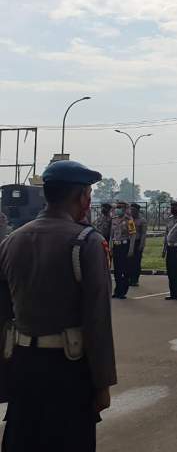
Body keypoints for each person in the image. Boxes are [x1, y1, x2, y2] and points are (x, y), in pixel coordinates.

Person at [0, 160, 117, 450]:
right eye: (88, 194)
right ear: (81, 197)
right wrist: (102, 383)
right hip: (68, 370)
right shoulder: (86, 242)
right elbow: (97, 319)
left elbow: (3, 314)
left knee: (22, 440)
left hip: (22, 365)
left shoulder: (12, 241)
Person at [109, 201, 136, 300]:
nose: (117, 209)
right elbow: (111, 235)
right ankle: (117, 291)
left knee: (125, 270)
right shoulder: (114, 219)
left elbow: (133, 235)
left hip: (125, 246)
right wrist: (110, 246)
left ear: (124, 209)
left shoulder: (129, 220)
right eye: (117, 207)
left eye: (120, 207)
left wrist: (131, 249)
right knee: (117, 271)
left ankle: (123, 291)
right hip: (116, 246)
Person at [129, 203, 147, 287]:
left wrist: (141, 245)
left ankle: (135, 280)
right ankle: (129, 278)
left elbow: (143, 233)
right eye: (131, 210)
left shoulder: (142, 220)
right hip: (129, 242)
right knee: (129, 261)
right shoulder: (129, 219)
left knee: (136, 262)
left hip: (137, 242)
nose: (131, 211)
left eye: (133, 210)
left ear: (137, 210)